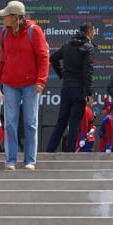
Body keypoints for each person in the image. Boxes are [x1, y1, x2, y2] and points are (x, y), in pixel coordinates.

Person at [0, 0, 48, 170]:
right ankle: (11, 160)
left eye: (5, 16)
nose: (3, 18)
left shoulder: (34, 31)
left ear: (15, 17)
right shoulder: (5, 33)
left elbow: (43, 57)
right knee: (10, 123)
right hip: (10, 84)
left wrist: (41, 81)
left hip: (31, 85)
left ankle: (30, 160)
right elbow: (3, 61)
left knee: (30, 122)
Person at [45, 23, 95, 153]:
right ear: (89, 32)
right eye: (93, 32)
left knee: (61, 121)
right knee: (74, 122)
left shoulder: (68, 45)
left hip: (66, 88)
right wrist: (90, 93)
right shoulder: (88, 47)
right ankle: (70, 152)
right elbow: (87, 72)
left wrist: (62, 74)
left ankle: (50, 150)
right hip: (79, 89)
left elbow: (53, 58)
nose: (94, 34)